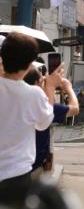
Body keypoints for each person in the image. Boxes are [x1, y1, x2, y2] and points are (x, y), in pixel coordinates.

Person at [0, 33, 53, 204]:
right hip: (16, 176)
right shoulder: (34, 95)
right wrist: (50, 87)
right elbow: (44, 123)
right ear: (29, 64)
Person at [23, 63, 80, 174]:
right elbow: (75, 109)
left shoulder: (16, 101)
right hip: (34, 168)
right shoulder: (42, 108)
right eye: (42, 81)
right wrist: (68, 88)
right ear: (36, 85)